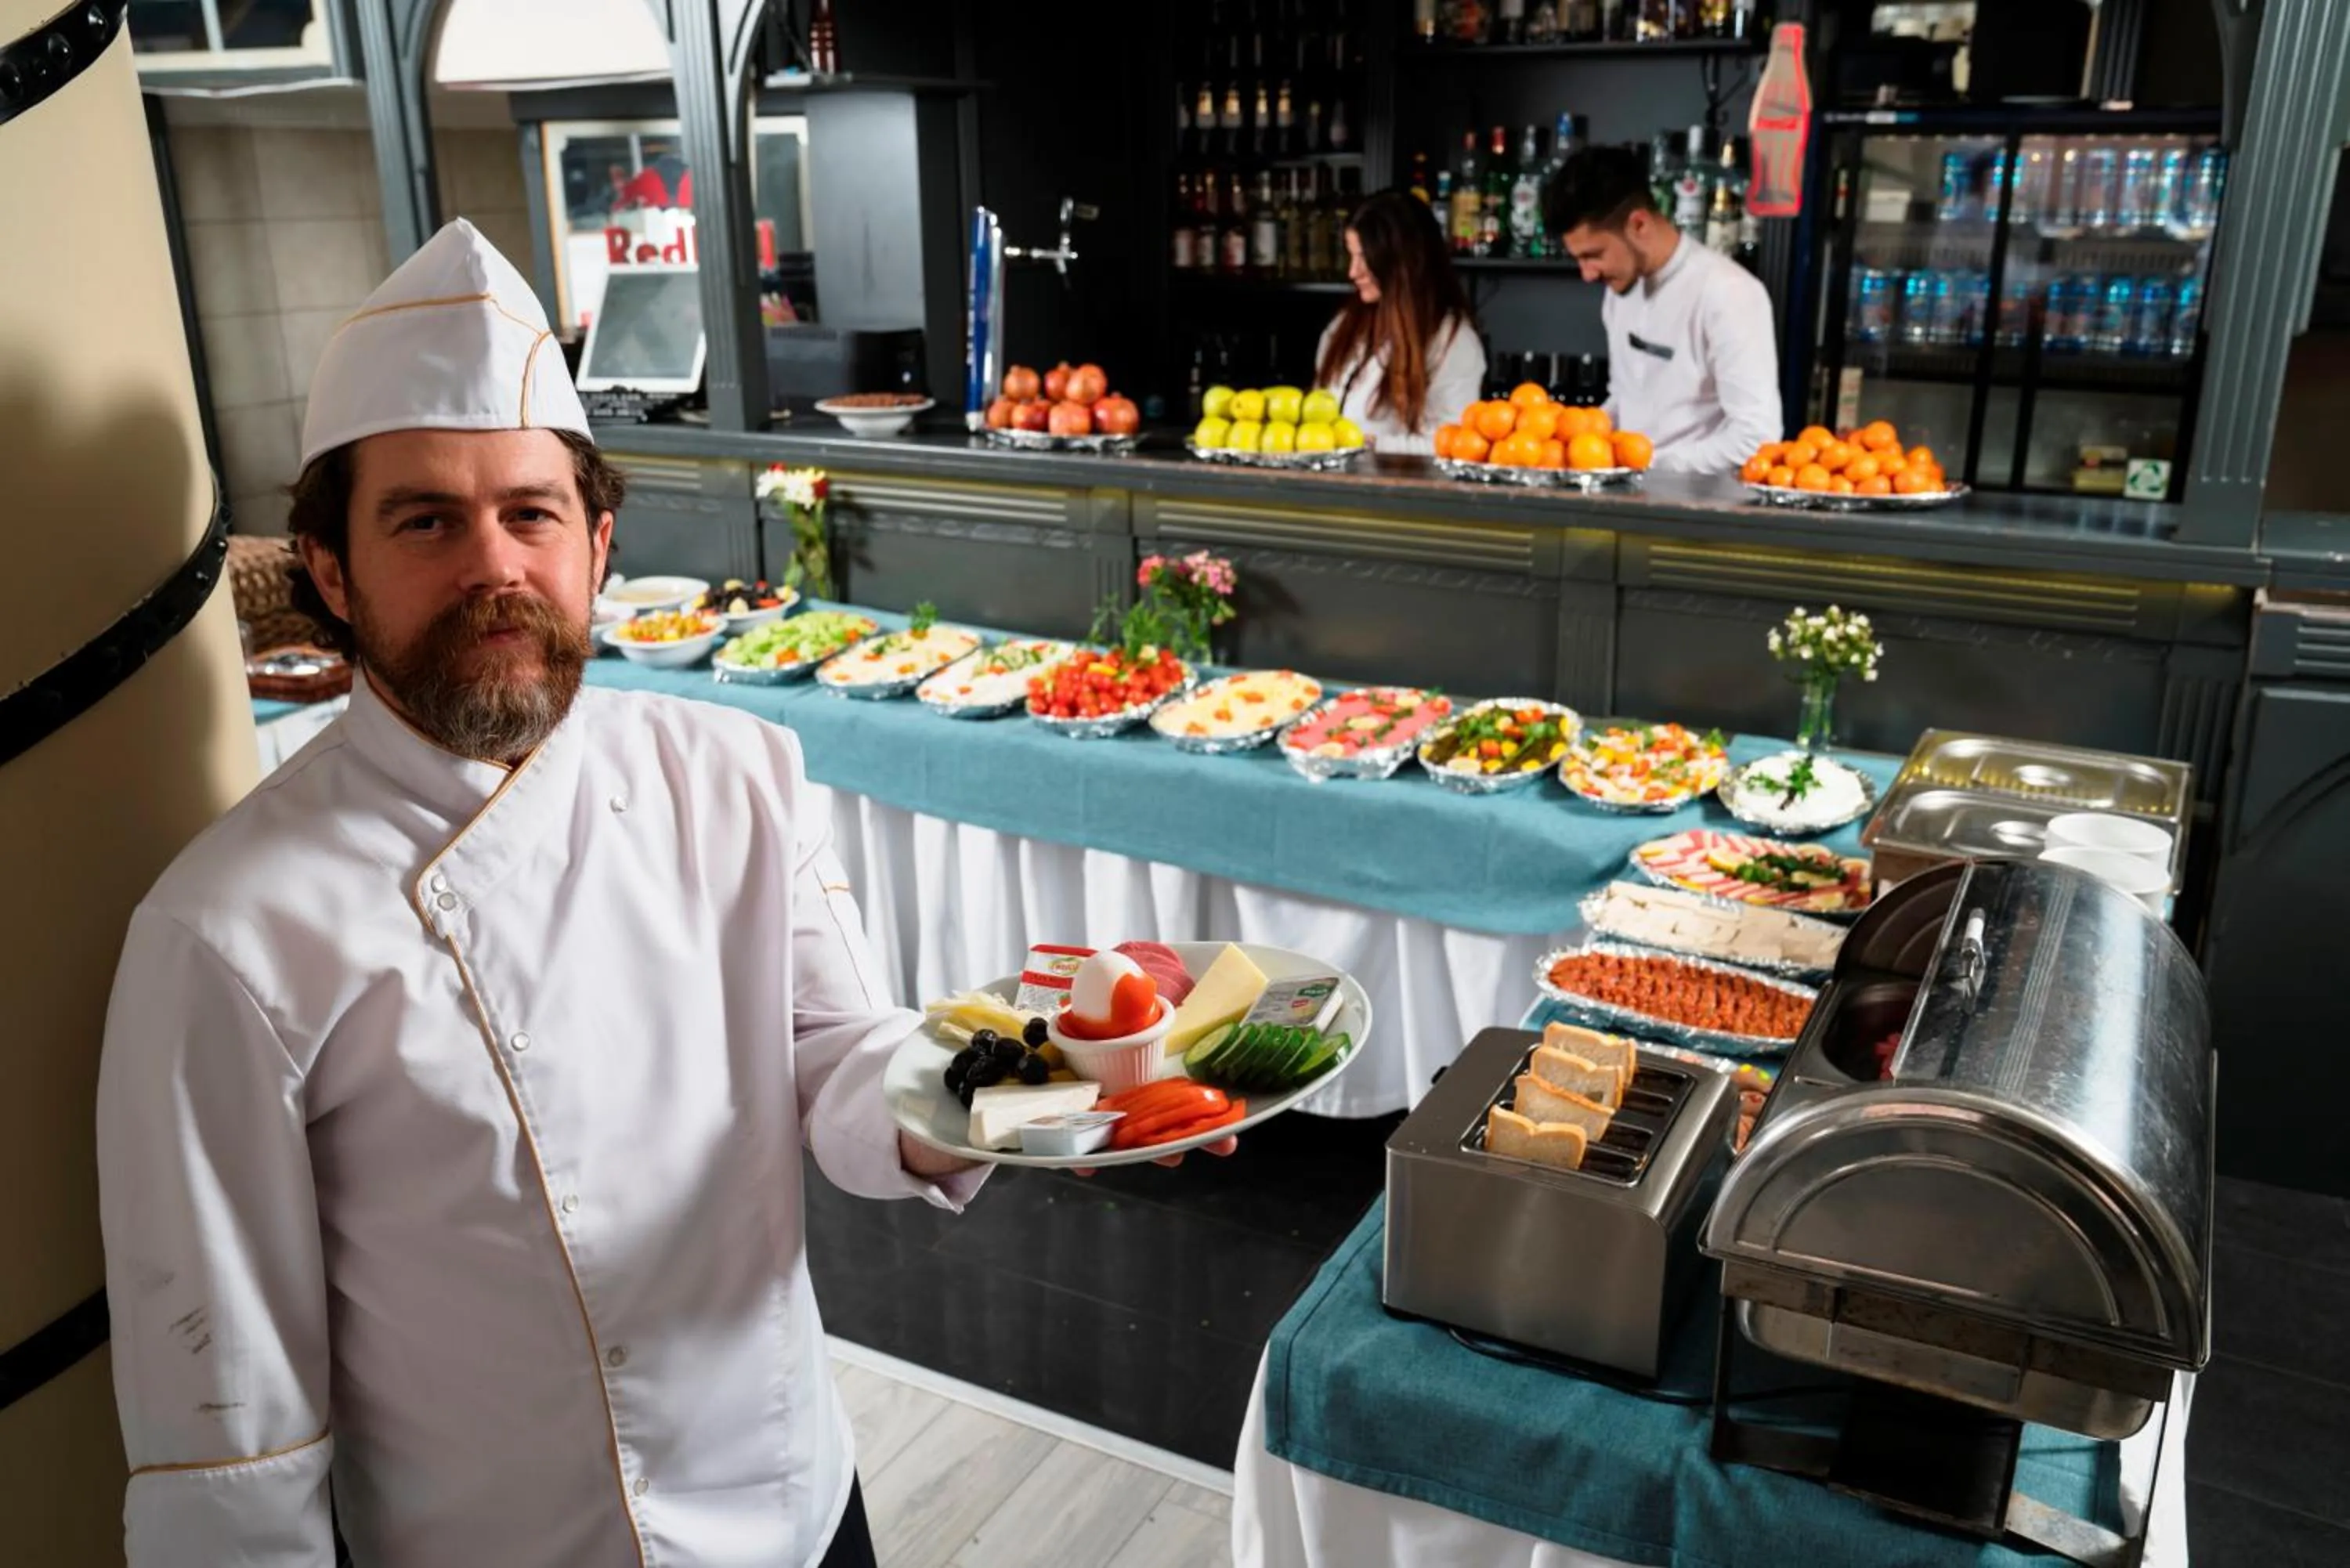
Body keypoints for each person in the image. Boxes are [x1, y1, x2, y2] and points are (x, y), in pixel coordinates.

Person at [93, 220, 1225, 1568]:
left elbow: (840, 1057)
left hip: (793, 1511)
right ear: (331, 568)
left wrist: (1044, 1087)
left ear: (598, 542)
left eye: (531, 513)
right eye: (427, 520)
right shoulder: (226, 933)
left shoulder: (733, 772)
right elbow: (231, 1428)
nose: (495, 565)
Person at [1545, 145, 1782, 474]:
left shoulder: (1728, 292)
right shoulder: (1620, 287)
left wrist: (1646, 464)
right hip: (1628, 494)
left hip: (1697, 501)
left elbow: (1755, 438)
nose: (1587, 275)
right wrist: (1571, 444)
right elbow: (1627, 398)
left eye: (1594, 255)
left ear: (1639, 225)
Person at [1316, 190, 1487, 454]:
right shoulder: (1343, 327)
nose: (1353, 272)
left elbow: (1450, 444)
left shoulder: (1453, 342)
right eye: (1352, 255)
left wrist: (1368, 445)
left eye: (1365, 258)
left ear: (1404, 262)